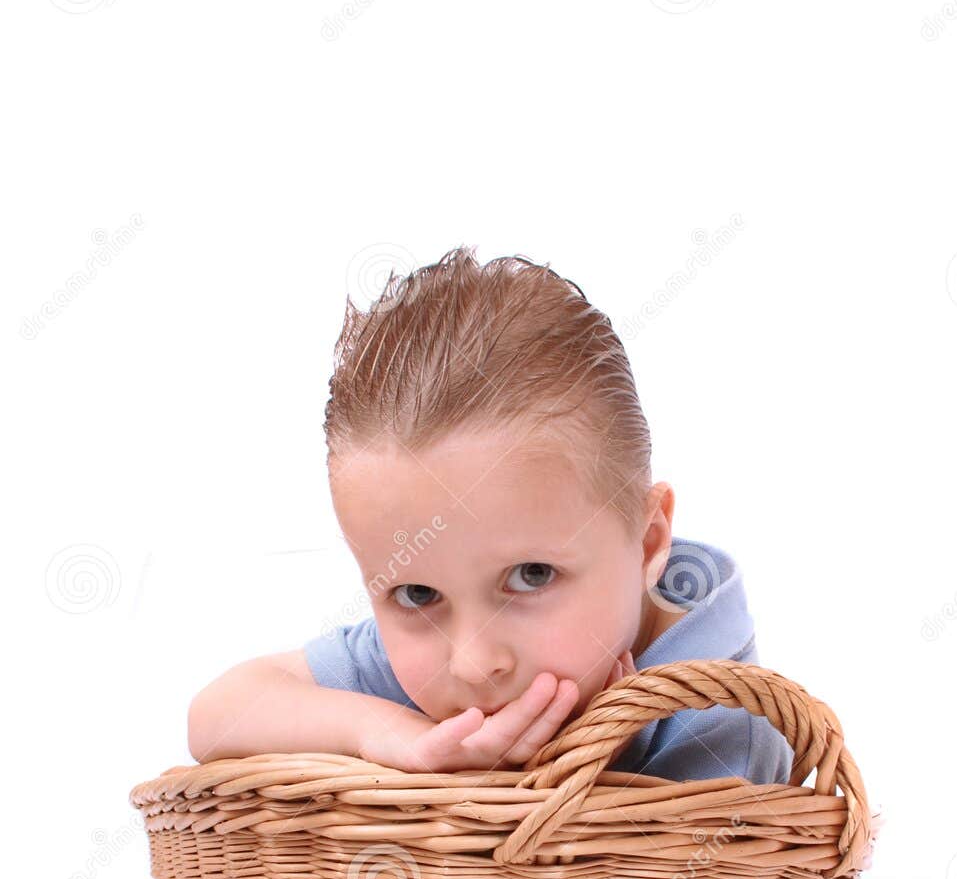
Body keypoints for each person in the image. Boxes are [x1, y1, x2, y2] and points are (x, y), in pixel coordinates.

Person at [187, 245, 793, 785]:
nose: (473, 663)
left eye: (531, 576)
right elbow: (217, 715)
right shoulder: (423, 658)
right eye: (417, 592)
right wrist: (387, 733)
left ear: (646, 543)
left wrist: (576, 771)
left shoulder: (723, 721)